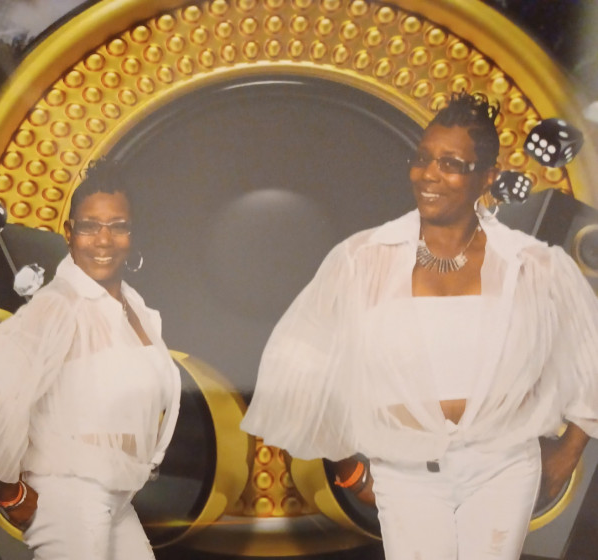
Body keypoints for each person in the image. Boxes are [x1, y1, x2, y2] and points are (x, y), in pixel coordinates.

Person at [241, 92, 598, 559]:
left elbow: (589, 354)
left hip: (504, 468)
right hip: (405, 472)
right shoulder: (363, 259)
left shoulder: (532, 265)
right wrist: (348, 467)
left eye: (450, 164)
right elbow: (302, 364)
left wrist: (570, 450)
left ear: (487, 178)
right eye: (423, 158)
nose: (429, 174)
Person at [0, 159, 181, 560]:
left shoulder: (133, 306)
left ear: (131, 235)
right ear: (69, 233)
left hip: (117, 494)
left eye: (117, 225)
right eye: (89, 226)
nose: (103, 239)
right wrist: (9, 490)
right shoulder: (61, 304)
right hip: (70, 494)